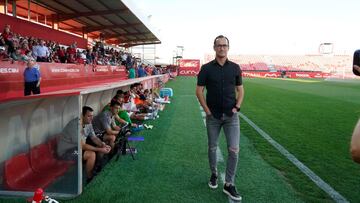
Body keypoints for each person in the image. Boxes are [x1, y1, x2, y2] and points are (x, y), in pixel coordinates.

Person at [195, 35, 244, 201]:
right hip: (213, 116)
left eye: (224, 45)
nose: (222, 48)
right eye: (219, 45)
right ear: (214, 48)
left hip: (231, 116)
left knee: (234, 150)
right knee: (212, 147)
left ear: (228, 48)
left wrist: (237, 107)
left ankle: (229, 183)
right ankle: (214, 174)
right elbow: (199, 91)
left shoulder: (235, 68)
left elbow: (241, 90)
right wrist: (207, 111)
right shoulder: (206, 68)